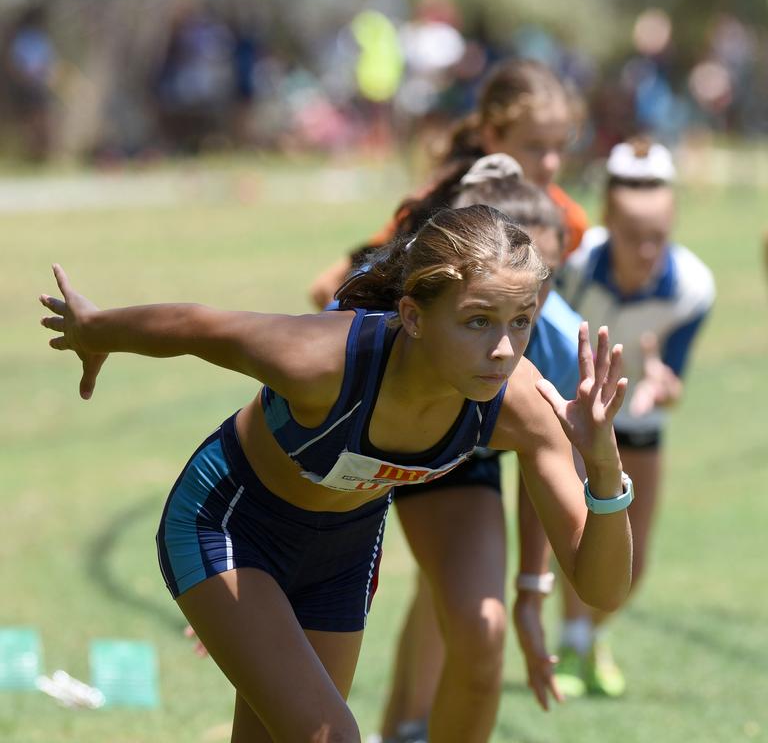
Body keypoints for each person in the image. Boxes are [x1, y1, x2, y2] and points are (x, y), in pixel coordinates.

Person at [40, 204, 633, 743]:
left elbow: (601, 587)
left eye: (521, 321)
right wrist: (97, 331)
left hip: (343, 557)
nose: (504, 349)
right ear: (414, 316)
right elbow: (201, 326)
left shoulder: (522, 403)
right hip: (229, 526)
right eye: (478, 321)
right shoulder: (322, 360)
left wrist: (603, 468)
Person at [369, 154, 584, 743]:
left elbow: (544, 477)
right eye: (486, 312)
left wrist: (531, 596)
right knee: (330, 632)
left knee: (477, 627)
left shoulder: (558, 347)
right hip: (371, 454)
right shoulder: (384, 326)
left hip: (460, 470)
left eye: (537, 292)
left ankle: (410, 730)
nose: (512, 338)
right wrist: (262, 561)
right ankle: (403, 727)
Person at [553, 139, 715, 698]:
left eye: (658, 238)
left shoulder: (693, 287)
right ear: (606, 220)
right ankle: (573, 645)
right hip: (574, 416)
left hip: (640, 420)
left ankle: (585, 639)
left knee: (633, 559)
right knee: (580, 538)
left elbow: (673, 375)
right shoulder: (571, 266)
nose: (646, 251)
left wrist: (667, 389)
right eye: (632, 237)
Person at [308, 58, 589, 311]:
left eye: (560, 147)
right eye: (534, 146)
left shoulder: (569, 223)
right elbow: (327, 287)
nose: (551, 163)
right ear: (491, 136)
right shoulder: (439, 208)